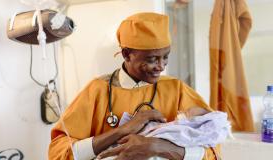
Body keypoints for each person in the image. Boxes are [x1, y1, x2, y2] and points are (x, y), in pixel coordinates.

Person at [48, 12, 220, 160]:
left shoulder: (177, 90)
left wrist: (157, 147)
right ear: (127, 54)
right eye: (152, 59)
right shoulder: (97, 90)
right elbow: (59, 153)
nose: (161, 66)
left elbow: (213, 151)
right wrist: (121, 131)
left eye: (165, 57)